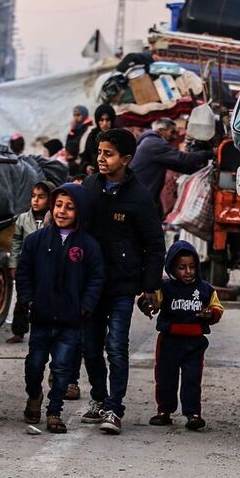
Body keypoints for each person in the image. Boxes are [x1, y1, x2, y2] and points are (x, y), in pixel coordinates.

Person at [79, 128, 165, 434]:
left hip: (121, 286)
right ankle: (98, 398)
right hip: (90, 286)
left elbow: (154, 244)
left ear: (126, 160)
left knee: (115, 345)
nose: (101, 159)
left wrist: (151, 285)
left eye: (109, 154)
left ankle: (114, 408)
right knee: (89, 346)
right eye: (100, 152)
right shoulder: (88, 188)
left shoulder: (140, 198)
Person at [15, 183, 104, 434]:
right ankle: (34, 396)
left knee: (62, 368)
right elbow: (24, 272)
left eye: (70, 207)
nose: (62, 211)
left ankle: (54, 411)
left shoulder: (88, 245)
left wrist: (85, 306)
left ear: (81, 212)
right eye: (58, 205)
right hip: (41, 318)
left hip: (71, 321)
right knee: (34, 364)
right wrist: (28, 299)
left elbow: (96, 278)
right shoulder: (36, 241)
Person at [143, 240, 223, 431]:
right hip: (169, 340)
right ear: (171, 268)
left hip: (195, 343)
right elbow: (147, 300)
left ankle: (193, 414)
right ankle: (164, 411)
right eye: (182, 267)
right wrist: (148, 306)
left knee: (192, 379)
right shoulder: (165, 288)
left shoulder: (205, 289)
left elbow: (217, 308)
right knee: (165, 377)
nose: (188, 272)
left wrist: (209, 314)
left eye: (192, 267)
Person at [6, 180, 55, 344]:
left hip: (47, 267)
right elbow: (16, 242)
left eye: (41, 197)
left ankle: (44, 331)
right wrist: (13, 263)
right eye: (33, 196)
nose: (35, 200)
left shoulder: (55, 219)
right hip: (27, 266)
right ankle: (19, 331)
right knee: (22, 300)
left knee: (44, 300)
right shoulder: (23, 219)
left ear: (50, 200)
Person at [131, 118, 213, 210]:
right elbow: (183, 159)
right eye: (172, 132)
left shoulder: (149, 141)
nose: (174, 137)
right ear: (161, 131)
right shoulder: (154, 143)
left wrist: (202, 171)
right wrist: (211, 153)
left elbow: (178, 166)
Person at [82, 104, 116, 176]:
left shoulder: (119, 135)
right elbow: (86, 157)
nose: (104, 123)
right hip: (97, 175)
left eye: (107, 120)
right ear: (97, 121)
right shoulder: (92, 136)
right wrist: (87, 166)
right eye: (101, 120)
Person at [65, 105, 95, 176]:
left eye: (78, 115)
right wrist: (72, 130)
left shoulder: (88, 128)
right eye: (74, 115)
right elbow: (68, 145)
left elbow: (77, 143)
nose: (76, 118)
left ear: (84, 114)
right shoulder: (77, 128)